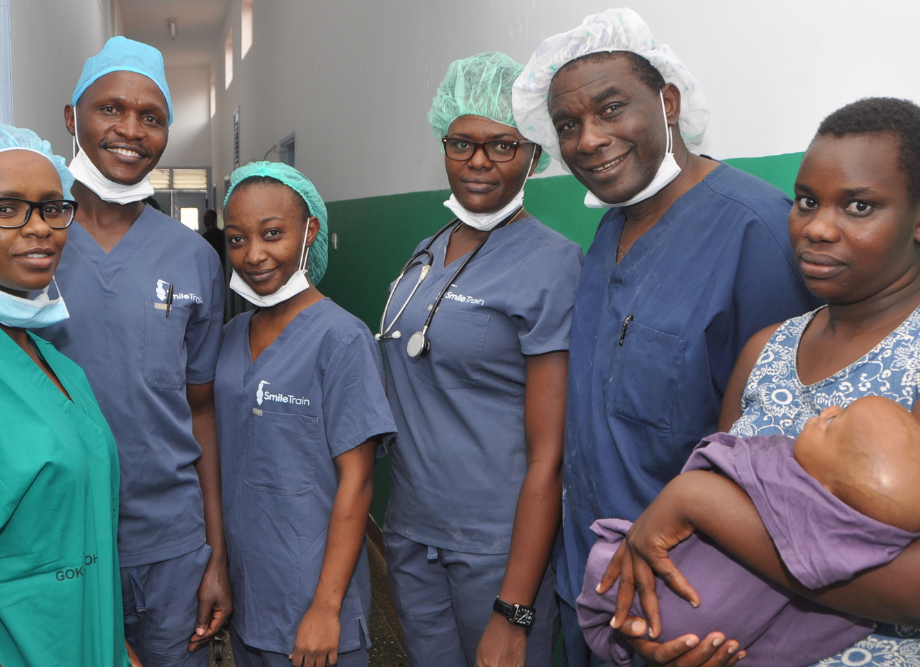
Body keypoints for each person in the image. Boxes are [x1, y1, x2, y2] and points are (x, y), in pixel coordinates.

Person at [511, 10, 820, 664]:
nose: (589, 139)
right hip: (594, 581)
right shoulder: (608, 236)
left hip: (689, 604)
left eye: (610, 108)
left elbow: (783, 470)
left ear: (668, 102)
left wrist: (721, 610)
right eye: (568, 125)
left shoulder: (756, 233)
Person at [597, 97, 920, 667]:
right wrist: (662, 628)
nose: (818, 227)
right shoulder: (766, 351)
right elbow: (703, 539)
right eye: (806, 201)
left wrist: (699, 502)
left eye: (860, 206)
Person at [379, 51, 583, 667]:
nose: (478, 161)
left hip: (495, 549)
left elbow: (551, 455)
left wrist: (515, 608)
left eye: (502, 145)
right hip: (411, 530)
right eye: (462, 142)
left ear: (534, 155)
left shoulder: (554, 264)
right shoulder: (430, 244)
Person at [37, 36, 230, 666]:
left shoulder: (195, 260)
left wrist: (214, 555)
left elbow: (200, 412)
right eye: (109, 109)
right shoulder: (30, 243)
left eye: (152, 117)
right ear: (72, 117)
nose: (130, 130)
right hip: (51, 536)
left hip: (169, 545)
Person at [0, 121, 135, 666]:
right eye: (7, 208)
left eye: (52, 207)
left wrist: (114, 643)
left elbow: (73, 542)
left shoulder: (54, 362)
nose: (40, 227)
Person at [579, 396, 920, 666]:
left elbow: (722, 463)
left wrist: (693, 494)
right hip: (686, 617)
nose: (829, 409)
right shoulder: (765, 347)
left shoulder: (791, 479)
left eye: (833, 421)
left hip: (710, 625)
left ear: (829, 493)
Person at [216, 161, 396, 667]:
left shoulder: (342, 339)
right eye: (236, 239)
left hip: (311, 597)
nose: (253, 255)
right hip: (248, 593)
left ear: (309, 230)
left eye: (272, 234)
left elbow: (358, 482)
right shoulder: (231, 339)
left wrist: (325, 607)